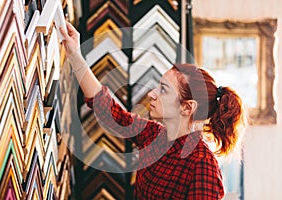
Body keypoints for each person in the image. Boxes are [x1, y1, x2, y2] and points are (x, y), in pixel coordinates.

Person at [60, 22, 245, 199]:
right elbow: (108, 110)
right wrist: (75, 55)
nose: (151, 94)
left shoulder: (202, 165)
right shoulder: (154, 135)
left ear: (187, 107)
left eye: (163, 90)